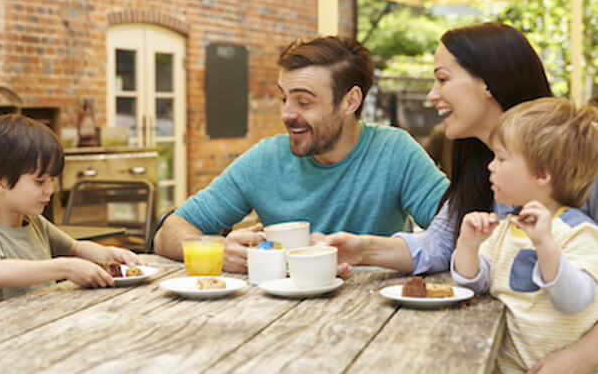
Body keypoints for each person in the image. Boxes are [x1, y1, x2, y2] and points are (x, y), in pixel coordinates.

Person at [317, 22, 598, 374]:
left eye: (443, 79)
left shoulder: (582, 160)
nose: (431, 95)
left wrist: (582, 357)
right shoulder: (483, 165)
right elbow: (438, 244)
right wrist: (362, 250)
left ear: (488, 82)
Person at [153, 35, 449, 272]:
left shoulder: (394, 151)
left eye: (304, 102)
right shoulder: (265, 159)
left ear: (350, 101)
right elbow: (168, 232)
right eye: (284, 98)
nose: (286, 114)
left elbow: (455, 228)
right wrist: (216, 251)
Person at [451, 97, 598, 374]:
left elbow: (575, 300)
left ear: (542, 174)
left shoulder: (580, 232)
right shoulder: (507, 228)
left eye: (502, 158)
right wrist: (468, 246)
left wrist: (545, 244)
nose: (491, 166)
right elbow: (474, 285)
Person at [0, 114, 143, 313]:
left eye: (52, 180)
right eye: (40, 182)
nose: (50, 190)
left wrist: (108, 253)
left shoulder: (35, 223)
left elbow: (75, 247)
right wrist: (65, 267)